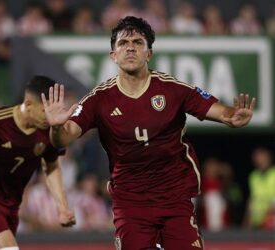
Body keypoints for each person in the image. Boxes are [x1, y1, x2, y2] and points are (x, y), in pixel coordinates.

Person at [42, 16, 256, 250]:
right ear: (113, 55)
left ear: (149, 53)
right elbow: (63, 138)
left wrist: (232, 118)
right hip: (131, 204)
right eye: (123, 43)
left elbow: (221, 112)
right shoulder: (98, 99)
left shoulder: (173, 89)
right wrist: (55, 126)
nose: (130, 47)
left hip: (174, 199)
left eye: (138, 42)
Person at [0, 75, 76, 250]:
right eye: (44, 111)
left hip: (11, 206)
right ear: (28, 104)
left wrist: (63, 208)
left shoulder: (48, 132)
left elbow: (51, 166)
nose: (49, 117)